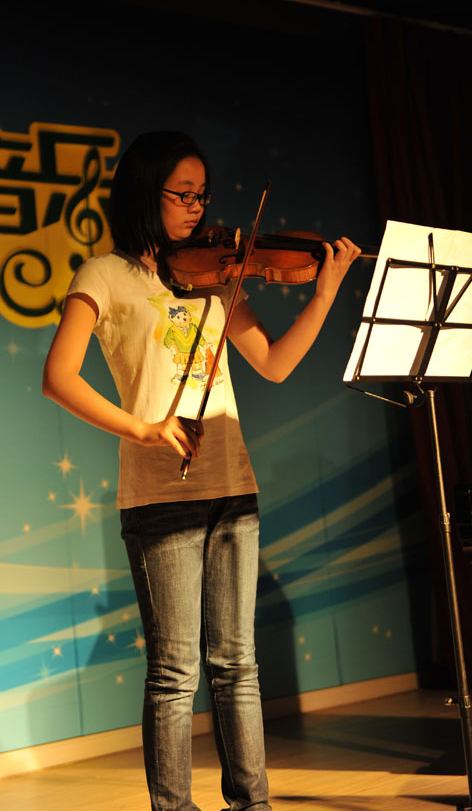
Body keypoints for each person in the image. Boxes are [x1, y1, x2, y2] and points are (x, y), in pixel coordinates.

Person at [43, 131, 360, 811]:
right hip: (159, 497)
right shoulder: (103, 275)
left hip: (233, 487)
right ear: (144, 191)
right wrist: (142, 428)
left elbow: (274, 363)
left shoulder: (214, 275)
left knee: (238, 664)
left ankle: (253, 804)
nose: (197, 207)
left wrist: (325, 292)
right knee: (174, 672)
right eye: (182, 194)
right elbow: (58, 377)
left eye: (202, 196)